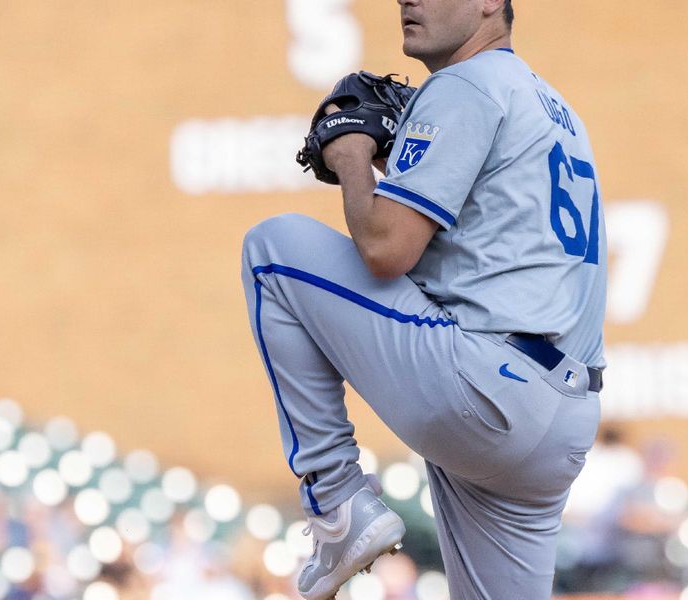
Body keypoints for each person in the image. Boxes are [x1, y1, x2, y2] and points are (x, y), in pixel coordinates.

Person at [240, 0, 606, 597]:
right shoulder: (553, 106)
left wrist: (354, 158)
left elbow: (387, 249)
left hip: (488, 389)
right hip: (563, 417)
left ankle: (335, 499)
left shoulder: (465, 83)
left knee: (272, 251)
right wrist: (395, 162)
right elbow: (477, 239)